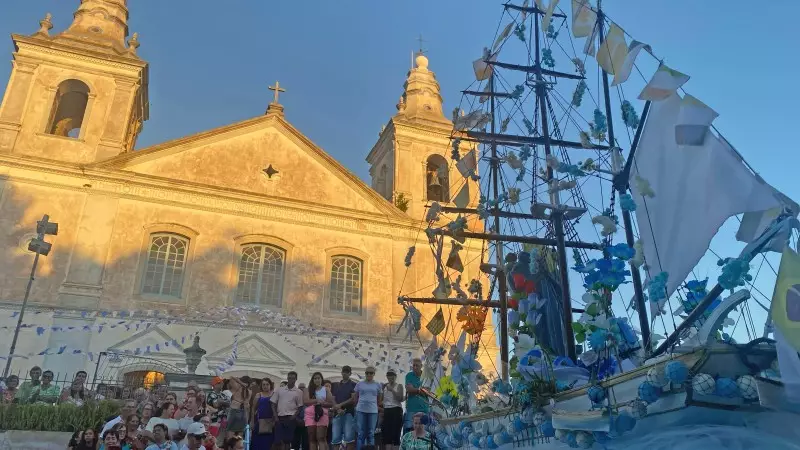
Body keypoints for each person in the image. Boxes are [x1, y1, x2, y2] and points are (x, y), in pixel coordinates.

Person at [270, 371, 303, 450]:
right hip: (280, 417)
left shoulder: (299, 392)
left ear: (296, 379)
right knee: (278, 440)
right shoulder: (279, 390)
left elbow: (300, 406)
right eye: (290, 378)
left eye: (293, 378)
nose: (291, 380)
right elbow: (273, 403)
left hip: (291, 418)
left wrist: (294, 416)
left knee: (287, 441)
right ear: (287, 378)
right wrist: (275, 416)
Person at [354, 367, 382, 450]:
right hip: (360, 411)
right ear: (365, 373)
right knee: (360, 433)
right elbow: (355, 397)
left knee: (371, 433)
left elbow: (379, 398)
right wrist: (356, 407)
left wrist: (375, 406)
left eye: (371, 373)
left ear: (374, 374)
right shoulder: (359, 384)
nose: (369, 374)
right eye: (367, 373)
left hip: (373, 411)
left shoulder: (378, 384)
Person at [303, 372, 333, 450]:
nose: (317, 380)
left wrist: (321, 403)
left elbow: (330, 403)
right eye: (315, 378)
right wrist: (316, 400)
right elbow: (306, 402)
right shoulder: (307, 389)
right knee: (312, 439)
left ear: (321, 379)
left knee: (321, 438)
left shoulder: (325, 389)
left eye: (318, 378)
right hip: (310, 415)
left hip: (322, 414)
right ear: (312, 380)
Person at [331, 366, 357, 450]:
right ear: (341, 372)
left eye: (347, 371)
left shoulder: (353, 384)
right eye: (344, 371)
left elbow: (353, 399)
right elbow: (333, 398)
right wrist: (338, 408)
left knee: (349, 439)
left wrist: (340, 405)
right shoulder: (335, 385)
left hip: (348, 413)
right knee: (335, 439)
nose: (345, 373)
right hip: (337, 414)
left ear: (350, 373)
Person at [380, 370, 404, 450]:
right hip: (387, 410)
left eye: (393, 375)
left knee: (396, 434)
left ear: (395, 376)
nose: (391, 377)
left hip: (396, 410)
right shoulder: (384, 387)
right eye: (389, 375)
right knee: (387, 435)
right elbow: (380, 401)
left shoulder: (399, 386)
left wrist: (392, 390)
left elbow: (400, 398)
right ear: (387, 377)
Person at [403, 359, 428, 432]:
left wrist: (414, 389)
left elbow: (428, 392)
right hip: (411, 409)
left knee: (423, 432)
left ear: (421, 366)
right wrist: (420, 390)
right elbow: (409, 389)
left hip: (424, 409)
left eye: (417, 365)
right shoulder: (409, 375)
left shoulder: (426, 376)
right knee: (409, 431)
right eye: (413, 365)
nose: (415, 367)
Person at [251, 378, 275, 450]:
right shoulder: (258, 395)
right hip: (259, 422)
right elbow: (253, 409)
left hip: (271, 422)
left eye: (267, 384)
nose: (265, 386)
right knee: (257, 442)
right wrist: (252, 422)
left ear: (270, 385)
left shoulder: (274, 394)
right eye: (263, 384)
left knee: (269, 442)